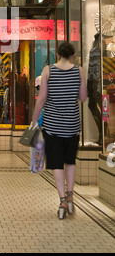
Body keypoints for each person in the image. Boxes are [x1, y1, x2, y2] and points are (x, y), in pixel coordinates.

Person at [32, 41, 87, 219]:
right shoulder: (79, 71)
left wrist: (34, 120)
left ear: (57, 54)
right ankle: (71, 197)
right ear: (72, 55)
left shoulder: (48, 70)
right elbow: (83, 97)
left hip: (52, 126)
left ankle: (62, 199)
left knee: (56, 163)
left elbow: (42, 99)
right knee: (70, 161)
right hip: (72, 126)